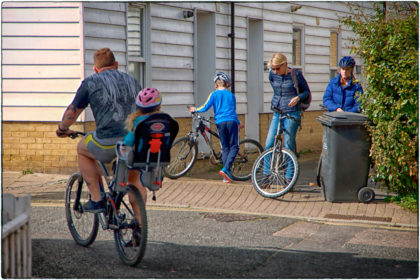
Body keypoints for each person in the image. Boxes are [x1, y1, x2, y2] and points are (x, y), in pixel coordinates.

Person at [56, 48, 142, 213]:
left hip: (107, 140)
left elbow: (72, 112)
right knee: (135, 181)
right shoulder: (133, 81)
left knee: (82, 148)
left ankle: (97, 199)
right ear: (116, 65)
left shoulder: (91, 82)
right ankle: (140, 227)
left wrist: (62, 128)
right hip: (134, 141)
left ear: (95, 69)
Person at [189, 72, 240, 183]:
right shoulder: (231, 96)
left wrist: (194, 109)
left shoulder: (214, 94)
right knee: (234, 147)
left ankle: (225, 175)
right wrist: (239, 123)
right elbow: (233, 111)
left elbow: (205, 107)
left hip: (220, 123)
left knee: (225, 148)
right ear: (227, 84)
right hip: (232, 121)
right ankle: (226, 169)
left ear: (216, 85)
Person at [265, 53, 310, 158]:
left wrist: (297, 98)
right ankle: (267, 173)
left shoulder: (296, 75)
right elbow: (275, 87)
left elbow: (306, 92)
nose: (275, 71)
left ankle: (290, 174)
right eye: (273, 68)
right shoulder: (272, 74)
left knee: (289, 145)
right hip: (277, 111)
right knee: (269, 144)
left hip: (292, 113)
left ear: (285, 64)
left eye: (277, 68)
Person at [123, 87, 163, 202]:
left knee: (133, 180)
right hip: (158, 158)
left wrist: (123, 143)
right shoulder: (165, 121)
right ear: (159, 106)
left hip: (139, 159)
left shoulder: (138, 121)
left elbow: (129, 141)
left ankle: (138, 215)